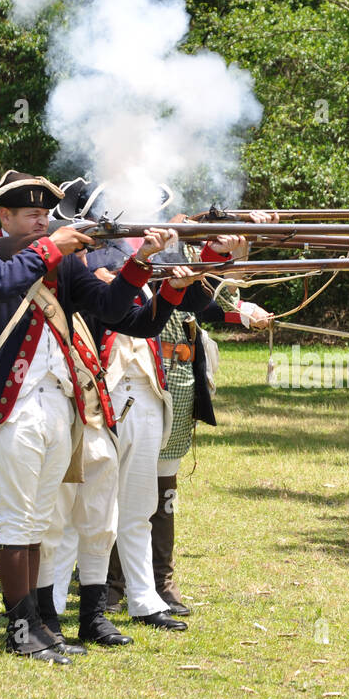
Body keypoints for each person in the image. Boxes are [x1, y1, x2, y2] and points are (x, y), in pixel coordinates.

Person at [0, 169, 199, 664]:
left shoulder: (63, 265)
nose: (41, 221)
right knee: (19, 522)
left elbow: (119, 313)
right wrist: (54, 247)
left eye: (45, 214)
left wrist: (148, 266)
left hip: (61, 407)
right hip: (14, 407)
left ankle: (43, 624)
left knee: (43, 522)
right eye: (31, 214)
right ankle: (21, 628)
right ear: (5, 216)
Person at [104, 219, 275, 616]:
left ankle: (161, 578)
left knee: (164, 489)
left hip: (176, 381)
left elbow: (207, 305)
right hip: (126, 381)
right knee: (118, 486)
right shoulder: (112, 254)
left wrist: (239, 299)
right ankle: (112, 583)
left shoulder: (185, 255)